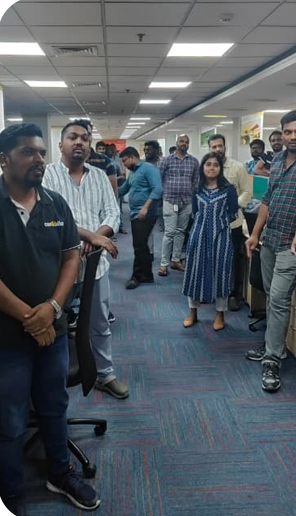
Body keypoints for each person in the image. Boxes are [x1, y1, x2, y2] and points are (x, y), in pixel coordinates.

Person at [0, 123, 100, 514]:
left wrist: (52, 310)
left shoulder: (55, 205)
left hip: (52, 331)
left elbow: (71, 256)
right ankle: (10, 490)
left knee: (54, 405)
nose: (39, 159)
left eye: (41, 152)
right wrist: (31, 317)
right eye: (28, 152)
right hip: (8, 335)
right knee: (10, 417)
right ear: (4, 160)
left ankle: (60, 473)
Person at [43, 121, 129, 400]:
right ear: (61, 144)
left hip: (95, 265)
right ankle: (51, 378)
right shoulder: (47, 176)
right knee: (56, 324)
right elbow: (51, 219)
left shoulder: (100, 176)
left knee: (99, 323)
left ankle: (105, 374)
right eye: (72, 137)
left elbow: (113, 214)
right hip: (58, 267)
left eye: (84, 138)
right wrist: (92, 236)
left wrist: (96, 238)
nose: (79, 142)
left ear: (90, 145)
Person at [245, 110, 296, 392]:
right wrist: (255, 234)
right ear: (281, 133)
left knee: (279, 299)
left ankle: (272, 359)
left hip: (293, 245)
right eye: (288, 132)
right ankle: (274, 345)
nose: (293, 137)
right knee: (271, 296)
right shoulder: (278, 159)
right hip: (270, 238)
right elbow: (268, 199)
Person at [182, 153, 238, 332]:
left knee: (221, 272)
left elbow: (233, 213)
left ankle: (220, 314)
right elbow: (195, 213)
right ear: (203, 167)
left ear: (220, 168)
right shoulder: (197, 189)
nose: (212, 168)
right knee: (194, 271)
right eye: (208, 164)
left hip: (221, 236)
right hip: (198, 235)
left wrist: (217, 225)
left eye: (216, 165)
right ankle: (193, 312)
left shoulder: (229, 189)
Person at [208, 133, 251, 312]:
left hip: (232, 223)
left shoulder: (237, 167)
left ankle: (233, 294)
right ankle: (215, 291)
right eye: (214, 146)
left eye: (220, 146)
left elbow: (247, 192)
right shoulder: (207, 167)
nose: (217, 149)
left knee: (232, 259)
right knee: (213, 257)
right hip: (211, 223)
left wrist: (233, 206)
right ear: (209, 148)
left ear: (225, 147)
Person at [118, 147, 163, 289]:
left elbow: (157, 189)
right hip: (135, 213)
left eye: (124, 160)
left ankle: (136, 276)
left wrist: (145, 208)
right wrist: (108, 191)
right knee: (142, 245)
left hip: (145, 214)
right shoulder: (133, 172)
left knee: (139, 245)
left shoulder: (148, 169)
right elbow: (124, 189)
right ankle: (147, 275)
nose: (124, 164)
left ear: (132, 157)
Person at [158, 134, 198, 277]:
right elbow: (159, 178)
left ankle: (176, 260)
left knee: (181, 231)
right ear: (176, 143)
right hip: (170, 200)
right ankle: (164, 264)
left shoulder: (194, 161)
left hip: (186, 201)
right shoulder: (166, 160)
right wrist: (162, 195)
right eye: (181, 141)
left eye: (186, 142)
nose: (184, 143)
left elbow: (195, 181)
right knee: (169, 233)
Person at [84, 122, 117, 197]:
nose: (84, 137)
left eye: (88, 134)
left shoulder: (105, 161)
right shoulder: (69, 162)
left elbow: (113, 191)